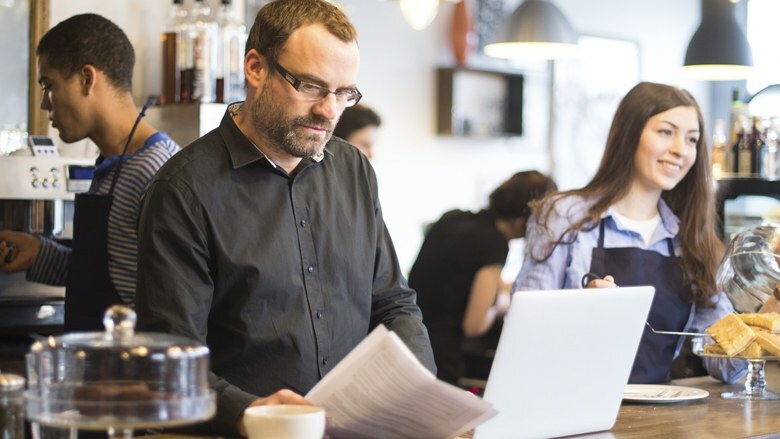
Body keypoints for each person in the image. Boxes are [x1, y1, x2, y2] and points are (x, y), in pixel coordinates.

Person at [133, 0, 435, 436]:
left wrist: (422, 392)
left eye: (343, 93)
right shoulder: (184, 191)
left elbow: (392, 303)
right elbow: (169, 361)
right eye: (312, 86)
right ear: (255, 68)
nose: (329, 111)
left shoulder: (354, 170)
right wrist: (249, 412)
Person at [512, 82, 746, 384]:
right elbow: (523, 329)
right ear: (630, 134)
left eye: (692, 140)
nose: (680, 150)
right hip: (569, 410)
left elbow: (728, 364)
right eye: (665, 132)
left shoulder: (690, 240)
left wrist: (770, 313)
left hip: (657, 417)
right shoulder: (565, 215)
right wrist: (580, 311)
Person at [0, 14, 180, 332]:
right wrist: (39, 252)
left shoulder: (157, 173)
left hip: (130, 375)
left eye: (48, 86)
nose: (45, 104)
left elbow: (171, 310)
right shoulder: (112, 165)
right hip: (98, 369)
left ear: (86, 79)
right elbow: (109, 276)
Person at [410, 170, 556, 386]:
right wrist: (501, 302)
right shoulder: (494, 244)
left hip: (407, 341)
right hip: (440, 361)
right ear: (523, 221)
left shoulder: (452, 217)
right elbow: (475, 325)